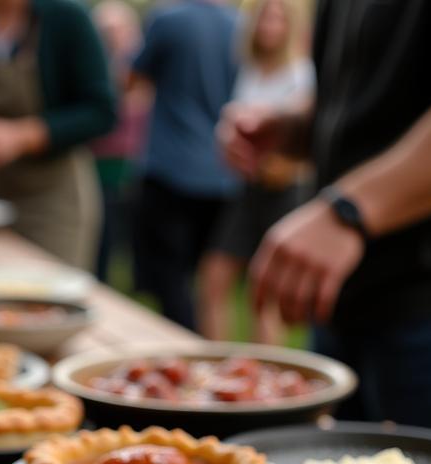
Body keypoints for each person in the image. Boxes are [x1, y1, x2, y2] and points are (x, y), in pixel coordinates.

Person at [220, 0, 431, 428]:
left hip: (429, 318)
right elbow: (360, 100)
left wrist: (349, 210)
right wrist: (292, 126)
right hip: (339, 303)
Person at [0, 0, 116, 270]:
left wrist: (22, 135)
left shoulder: (67, 18)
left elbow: (102, 112)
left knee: (45, 299)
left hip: (52, 201)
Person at [199, 0, 314, 344]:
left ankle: (263, 385)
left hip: (284, 193)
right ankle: (217, 370)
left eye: (278, 18)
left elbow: (301, 149)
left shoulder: (301, 74)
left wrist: (261, 152)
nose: (269, 25)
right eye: (264, 16)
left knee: (263, 294)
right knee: (214, 278)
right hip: (248, 189)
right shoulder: (250, 68)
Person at [129, 0, 239, 329]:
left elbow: (132, 78)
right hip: (223, 171)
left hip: (171, 169)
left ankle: (179, 352)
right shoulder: (240, 25)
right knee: (210, 282)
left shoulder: (168, 18)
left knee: (169, 278)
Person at [91, 0, 149, 284]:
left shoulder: (141, 68)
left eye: (118, 29)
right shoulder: (93, 66)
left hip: (131, 163)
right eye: (106, 29)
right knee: (101, 233)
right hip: (99, 162)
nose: (112, 35)